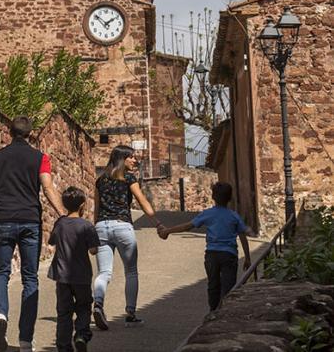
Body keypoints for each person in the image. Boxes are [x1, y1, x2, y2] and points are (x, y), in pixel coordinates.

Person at [0, 116, 67, 352]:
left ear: (9, 132)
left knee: (1, 273)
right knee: (30, 278)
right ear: (30, 133)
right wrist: (63, 214)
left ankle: (0, 315)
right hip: (30, 222)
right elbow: (48, 187)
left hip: (4, 221)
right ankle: (25, 340)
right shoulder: (40, 158)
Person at [91, 145, 164, 330]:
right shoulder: (128, 178)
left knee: (104, 272)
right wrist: (157, 223)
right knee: (131, 271)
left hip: (102, 227)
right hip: (122, 226)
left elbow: (96, 209)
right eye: (131, 157)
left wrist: (94, 232)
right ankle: (130, 315)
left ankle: (98, 303)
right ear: (122, 159)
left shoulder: (100, 180)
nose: (134, 161)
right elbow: (142, 200)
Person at [158, 181, 252, 314]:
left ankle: (213, 311)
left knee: (213, 285)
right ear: (230, 198)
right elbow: (242, 236)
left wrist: (168, 231)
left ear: (213, 197)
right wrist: (247, 257)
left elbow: (188, 226)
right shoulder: (234, 216)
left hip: (212, 254)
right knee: (229, 285)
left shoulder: (208, 214)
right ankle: (226, 311)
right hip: (229, 255)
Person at [48, 186, 100, 352]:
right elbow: (93, 250)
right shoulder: (87, 226)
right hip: (82, 275)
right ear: (82, 205)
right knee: (84, 307)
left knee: (64, 312)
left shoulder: (60, 224)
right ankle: (81, 335)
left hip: (62, 276)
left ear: (64, 204)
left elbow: (52, 241)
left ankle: (63, 346)